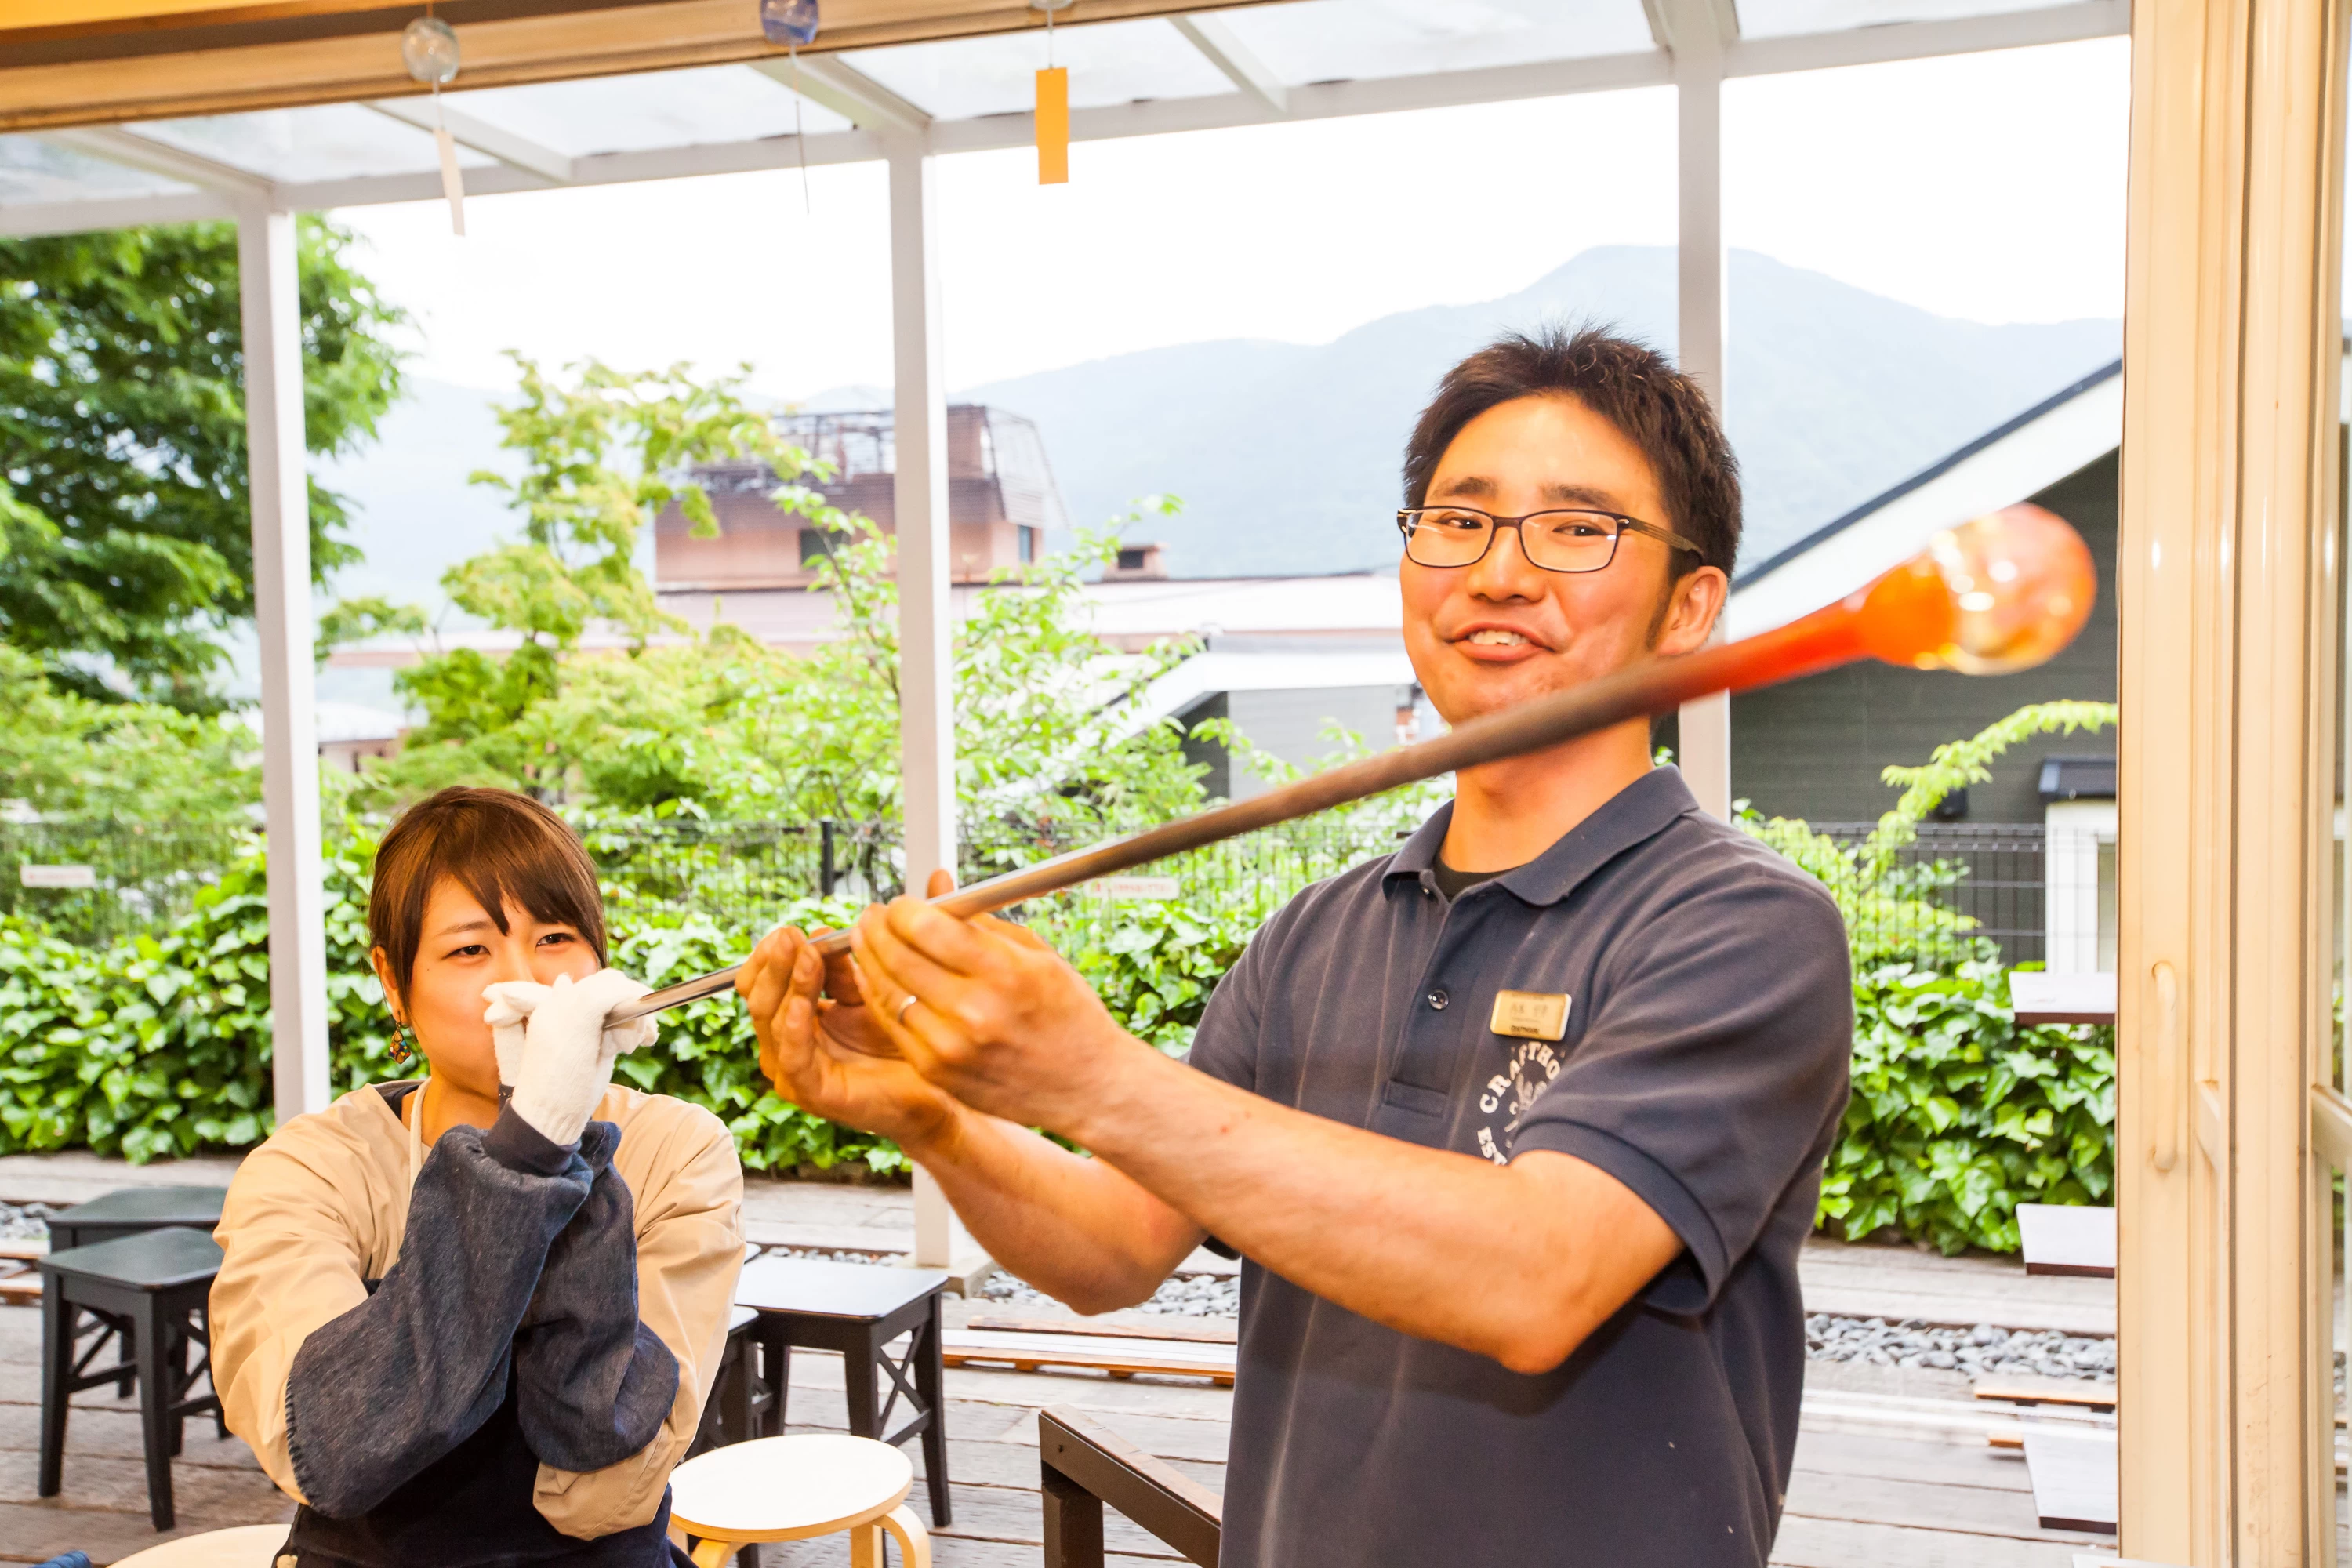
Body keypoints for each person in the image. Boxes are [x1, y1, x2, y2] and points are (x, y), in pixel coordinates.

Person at [739, 326, 1853, 1566]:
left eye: (1577, 528)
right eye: (1459, 521)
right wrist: (931, 1116)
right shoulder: (1316, 935)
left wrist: (1094, 1076)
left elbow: (1544, 1275)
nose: (1498, 573)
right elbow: (1115, 1249)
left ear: (1688, 604)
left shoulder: (1743, 928)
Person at [212, 786, 744, 1567]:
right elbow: (330, 1446)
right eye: (470, 949)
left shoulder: (675, 1149)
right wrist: (527, 1146)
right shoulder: (317, 1166)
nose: (526, 981)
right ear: (394, 982)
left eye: (556, 937)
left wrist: (565, 1148)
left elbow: (605, 1480)